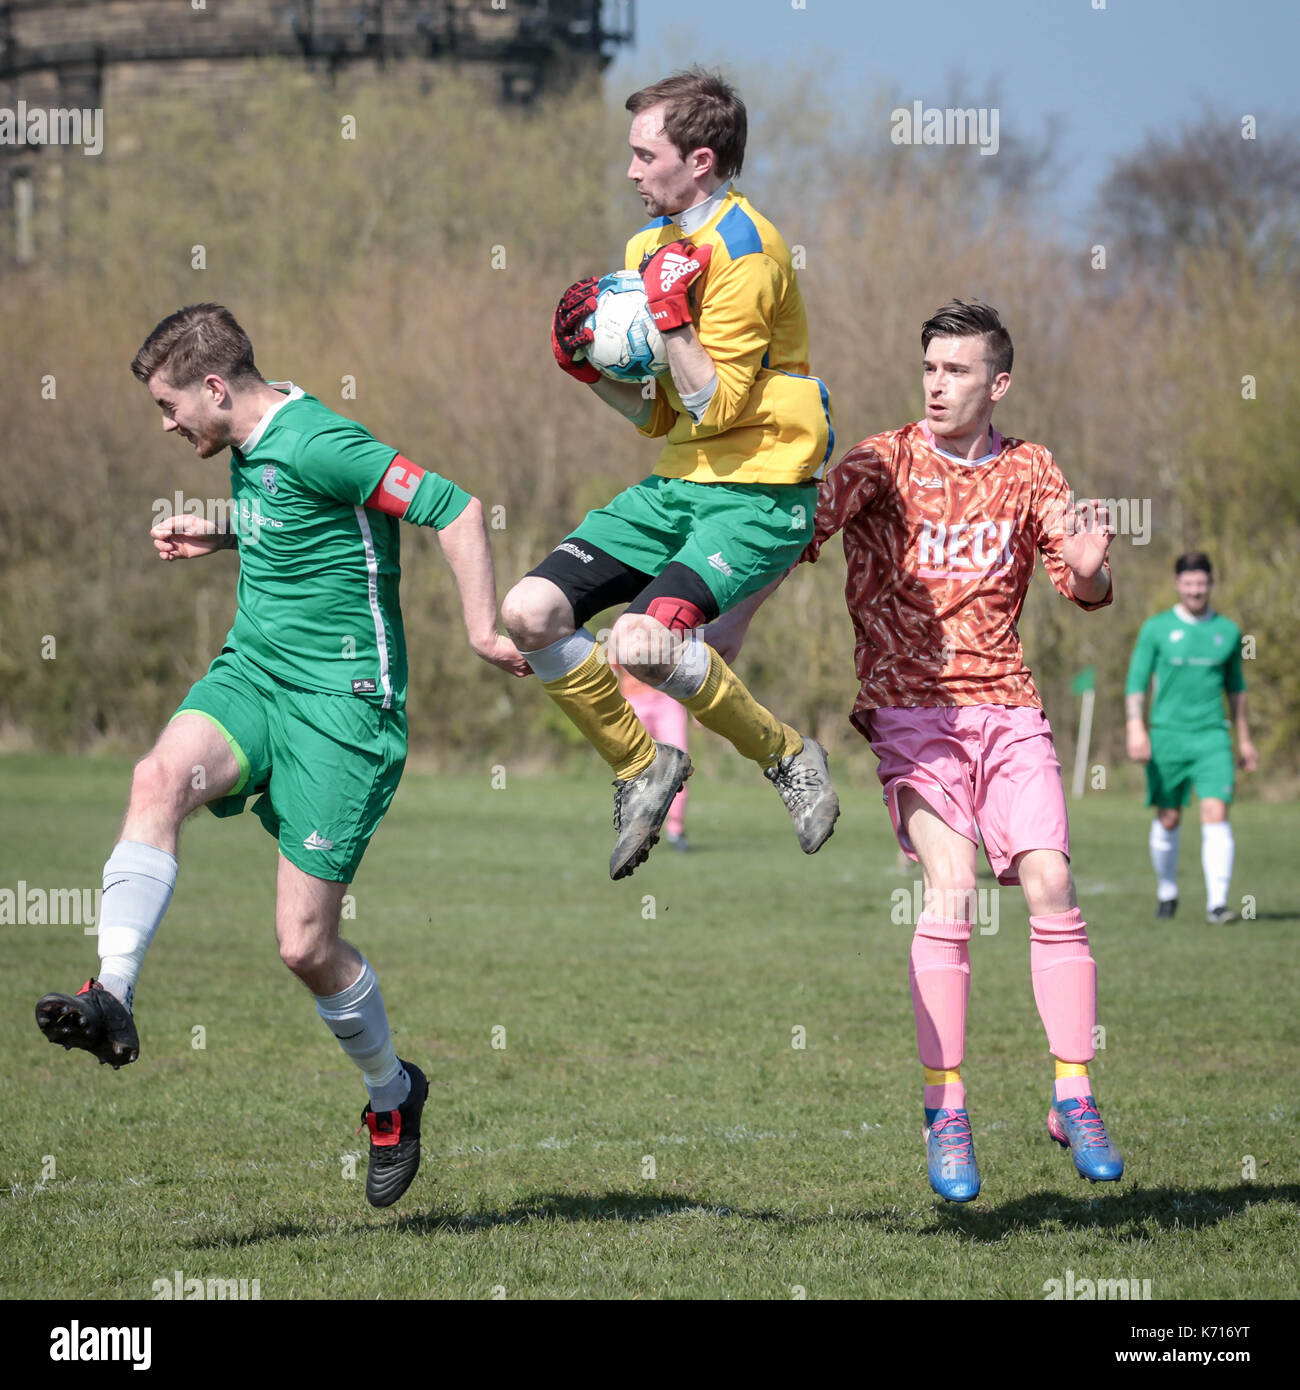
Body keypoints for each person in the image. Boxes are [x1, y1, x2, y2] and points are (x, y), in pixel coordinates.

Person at [34, 303, 527, 1210]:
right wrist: (220, 533)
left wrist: (483, 628)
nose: (168, 422)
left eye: (169, 404)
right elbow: (297, 526)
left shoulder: (320, 442)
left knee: (304, 947)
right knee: (155, 779)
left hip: (344, 712)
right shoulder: (249, 445)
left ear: (215, 387)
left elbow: (454, 510)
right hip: (255, 675)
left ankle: (392, 1094)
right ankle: (109, 995)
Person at [709, 300, 1124, 1201]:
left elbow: (1083, 583)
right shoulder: (880, 461)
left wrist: (1092, 569)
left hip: (1009, 711)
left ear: (998, 382)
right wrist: (731, 614)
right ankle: (947, 1110)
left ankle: (1074, 1094)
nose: (937, 385)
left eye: (958, 371)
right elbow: (794, 534)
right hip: (909, 714)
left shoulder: (1030, 468)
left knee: (1052, 881)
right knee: (954, 886)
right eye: (929, 368)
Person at [501, 66, 838, 881]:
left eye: (643, 155)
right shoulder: (647, 248)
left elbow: (716, 407)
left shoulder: (748, 252)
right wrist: (590, 374)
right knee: (529, 611)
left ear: (700, 160)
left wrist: (674, 318)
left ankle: (788, 754)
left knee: (642, 643)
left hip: (758, 494)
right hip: (676, 484)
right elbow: (661, 414)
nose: (630, 172)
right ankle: (639, 766)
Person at [1125, 552, 1257, 923]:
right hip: (1167, 736)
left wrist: (1244, 740)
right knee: (1168, 817)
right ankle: (1167, 890)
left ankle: (1217, 904)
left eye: (1202, 583)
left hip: (1213, 737)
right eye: (1189, 583)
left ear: (1211, 584)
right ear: (1178, 584)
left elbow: (1237, 689)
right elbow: (1136, 681)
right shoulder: (1156, 628)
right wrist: (1136, 726)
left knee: (1215, 812)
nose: (1196, 590)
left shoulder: (1229, 632)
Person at [613, 661, 691, 849]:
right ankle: (634, 831)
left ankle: (676, 829)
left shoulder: (674, 631)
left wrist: (699, 704)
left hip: (668, 700)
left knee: (678, 766)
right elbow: (612, 669)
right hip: (633, 700)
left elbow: (688, 664)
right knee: (635, 772)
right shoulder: (621, 631)